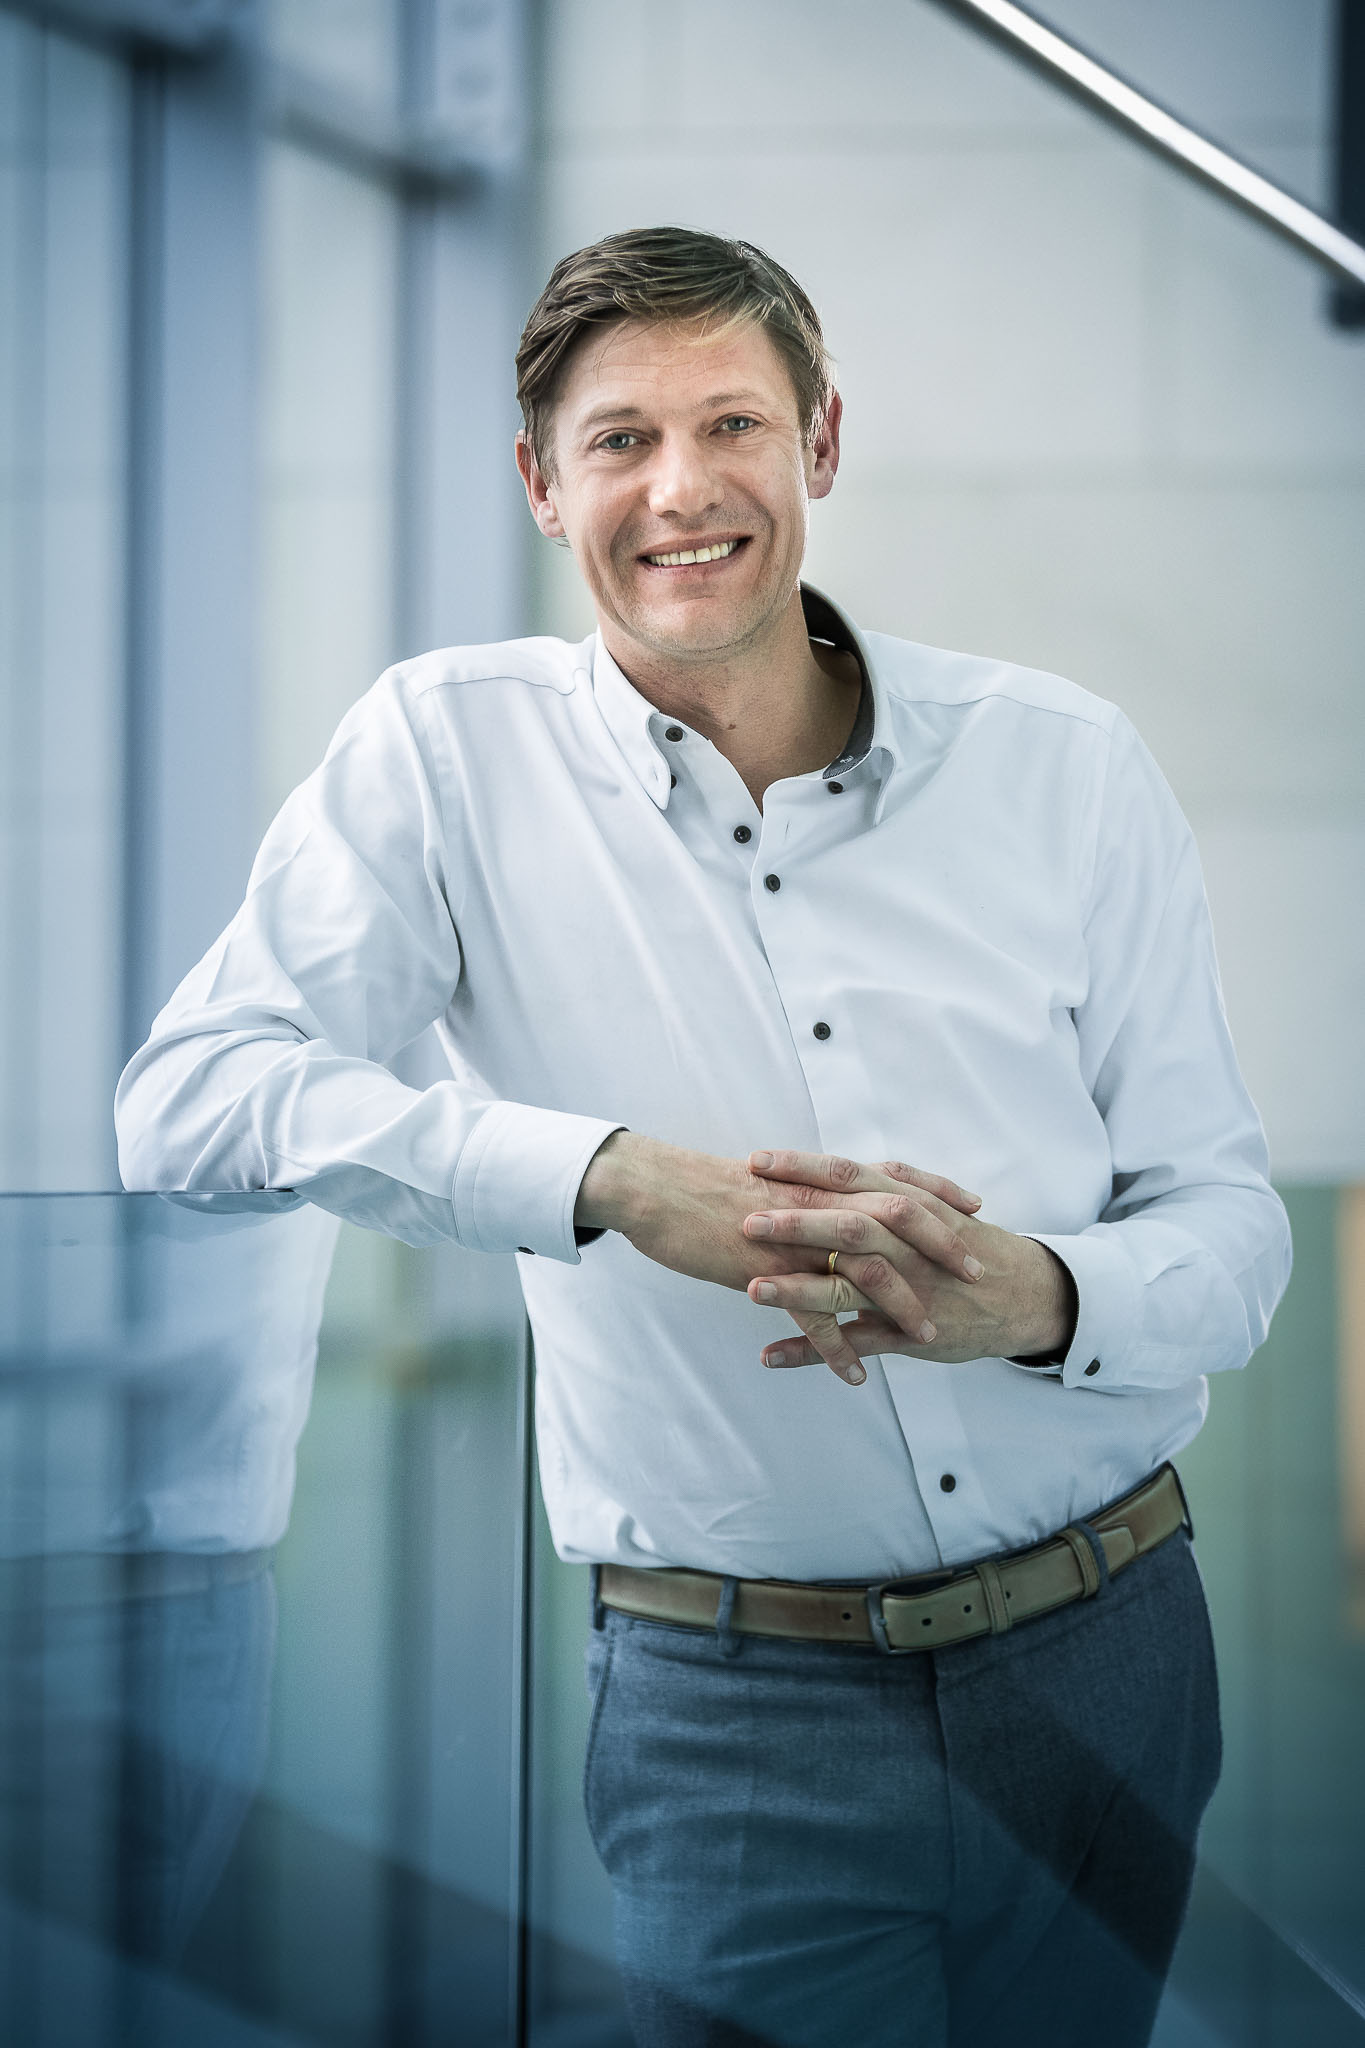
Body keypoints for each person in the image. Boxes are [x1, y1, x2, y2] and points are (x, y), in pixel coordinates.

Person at [116, 226, 1291, 2046]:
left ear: (819, 445)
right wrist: (601, 1180)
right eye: (617, 440)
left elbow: (1229, 1226)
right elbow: (188, 1097)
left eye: (733, 422)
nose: (682, 489)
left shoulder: (1065, 766)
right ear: (538, 481)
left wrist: (1036, 1299)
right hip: (736, 1710)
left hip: (1114, 1646)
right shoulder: (442, 756)